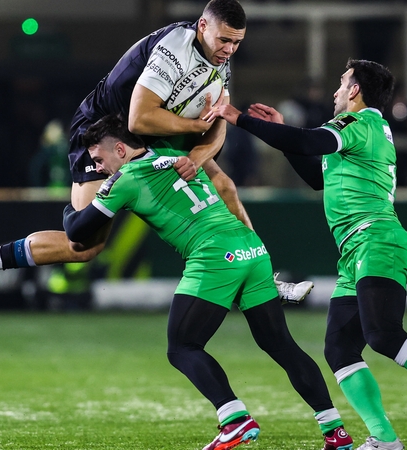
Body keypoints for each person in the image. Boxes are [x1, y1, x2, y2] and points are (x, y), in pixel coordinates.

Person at [0, 0, 311, 310]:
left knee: (225, 185)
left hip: (152, 136)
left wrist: (197, 158)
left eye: (237, 43)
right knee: (83, 245)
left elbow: (218, 126)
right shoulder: (174, 49)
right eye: (225, 40)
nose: (229, 50)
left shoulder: (219, 60)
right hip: (105, 131)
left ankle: (264, 279)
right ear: (202, 26)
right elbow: (141, 117)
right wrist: (195, 127)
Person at [207, 59, 407, 450]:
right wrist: (277, 129)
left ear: (356, 90)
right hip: (356, 250)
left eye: (342, 83)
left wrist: (238, 117)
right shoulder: (362, 132)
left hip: (376, 240)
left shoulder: (359, 124)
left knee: (383, 334)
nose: (336, 91)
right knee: (340, 348)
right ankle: (384, 439)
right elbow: (316, 176)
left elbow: (307, 142)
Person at [66, 114, 354, 450]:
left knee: (182, 346)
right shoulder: (174, 156)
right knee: (280, 345)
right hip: (252, 248)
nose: (99, 168)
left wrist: (70, 208)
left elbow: (77, 231)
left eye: (100, 159)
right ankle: (335, 430)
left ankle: (234, 419)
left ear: (120, 148)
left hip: (215, 254)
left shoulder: (125, 178)